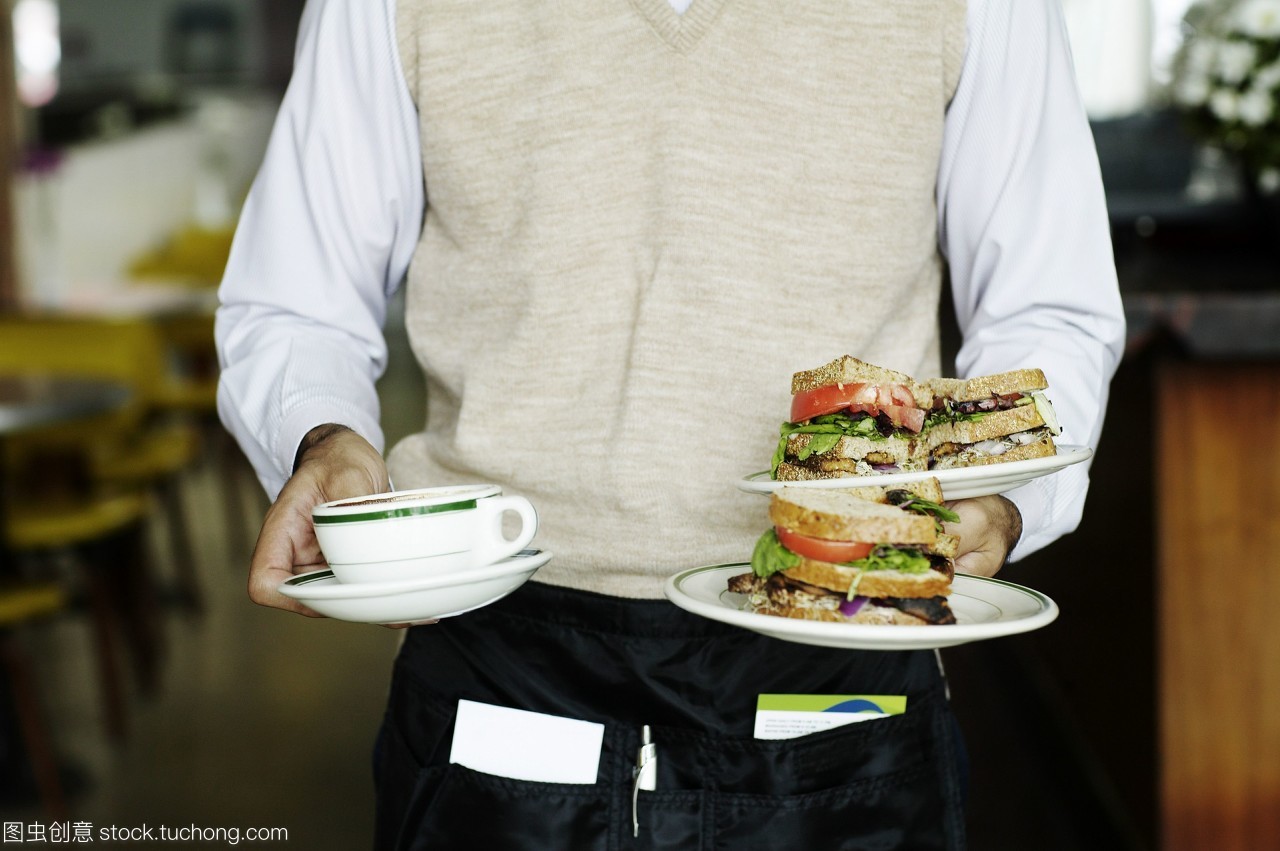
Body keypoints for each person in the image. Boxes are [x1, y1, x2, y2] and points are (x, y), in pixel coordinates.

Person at [216, 0, 1125, 847]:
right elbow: (296, 302)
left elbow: (1051, 308)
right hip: (497, 664)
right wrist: (323, 436)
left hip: (845, 660)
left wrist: (1002, 499)